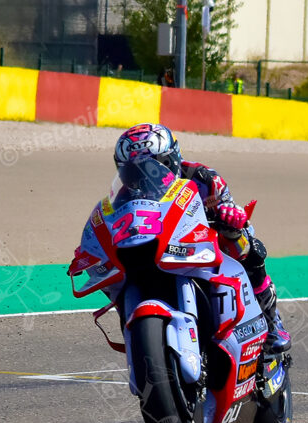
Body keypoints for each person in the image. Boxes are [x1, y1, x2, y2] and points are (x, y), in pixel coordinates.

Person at [113, 123, 291, 354]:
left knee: (249, 247)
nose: (146, 178)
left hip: (202, 241)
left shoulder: (204, 179)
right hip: (160, 249)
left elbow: (232, 210)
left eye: (156, 167)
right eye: (134, 172)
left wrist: (231, 216)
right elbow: (113, 224)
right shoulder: (123, 197)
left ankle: (272, 321)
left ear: (173, 160)